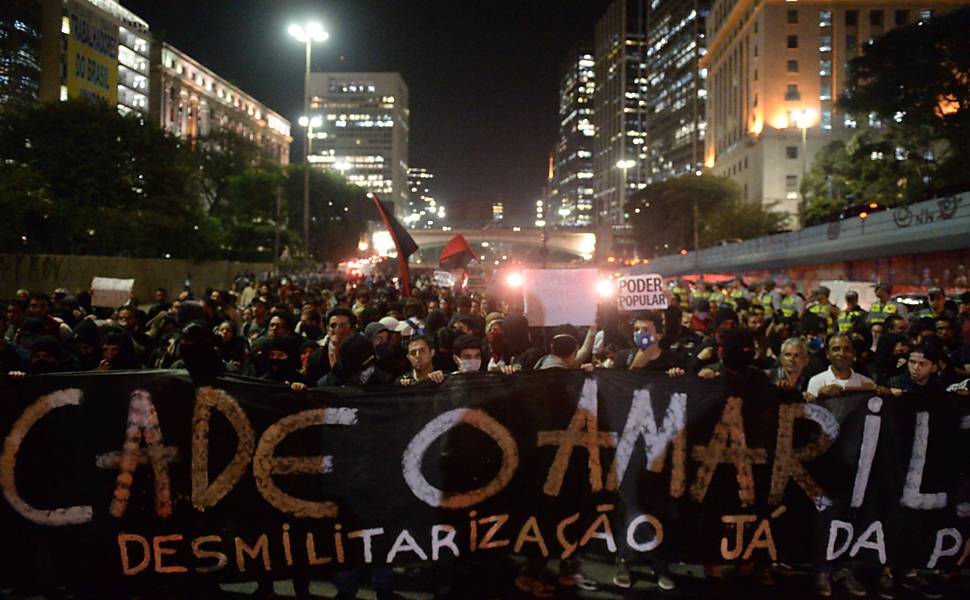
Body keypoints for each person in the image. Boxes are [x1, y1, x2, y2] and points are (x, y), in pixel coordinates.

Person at [806, 334, 876, 401]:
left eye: (847, 349)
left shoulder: (867, 382)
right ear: (827, 354)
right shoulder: (816, 382)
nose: (842, 354)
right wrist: (820, 396)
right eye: (836, 349)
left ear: (854, 354)